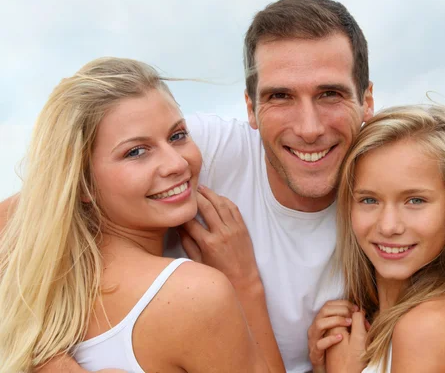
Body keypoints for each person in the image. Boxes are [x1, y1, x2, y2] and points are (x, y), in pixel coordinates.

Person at [0, 0, 445, 373]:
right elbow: (48, 198)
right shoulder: (191, 154)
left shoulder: (388, 194)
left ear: (366, 101)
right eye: (279, 96)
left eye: (330, 93)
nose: (308, 126)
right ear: (249, 106)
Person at [0, 57, 274, 372]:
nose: (176, 164)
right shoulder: (195, 294)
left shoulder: (37, 290)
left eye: (177, 135)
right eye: (136, 152)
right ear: (82, 183)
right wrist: (244, 284)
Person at [312, 105, 445, 372]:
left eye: (415, 200)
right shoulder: (372, 320)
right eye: (369, 200)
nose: (389, 226)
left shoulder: (430, 324)